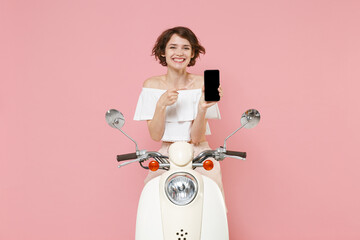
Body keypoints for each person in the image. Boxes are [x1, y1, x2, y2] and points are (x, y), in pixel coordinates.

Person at [133, 26, 224, 193]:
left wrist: (202, 108)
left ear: (192, 54)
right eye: (173, 47)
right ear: (163, 52)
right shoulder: (151, 85)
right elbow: (155, 136)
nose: (179, 53)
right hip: (167, 153)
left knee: (212, 195)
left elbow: (196, 138)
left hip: (199, 153)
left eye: (186, 48)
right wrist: (161, 104)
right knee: (151, 194)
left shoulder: (201, 84)